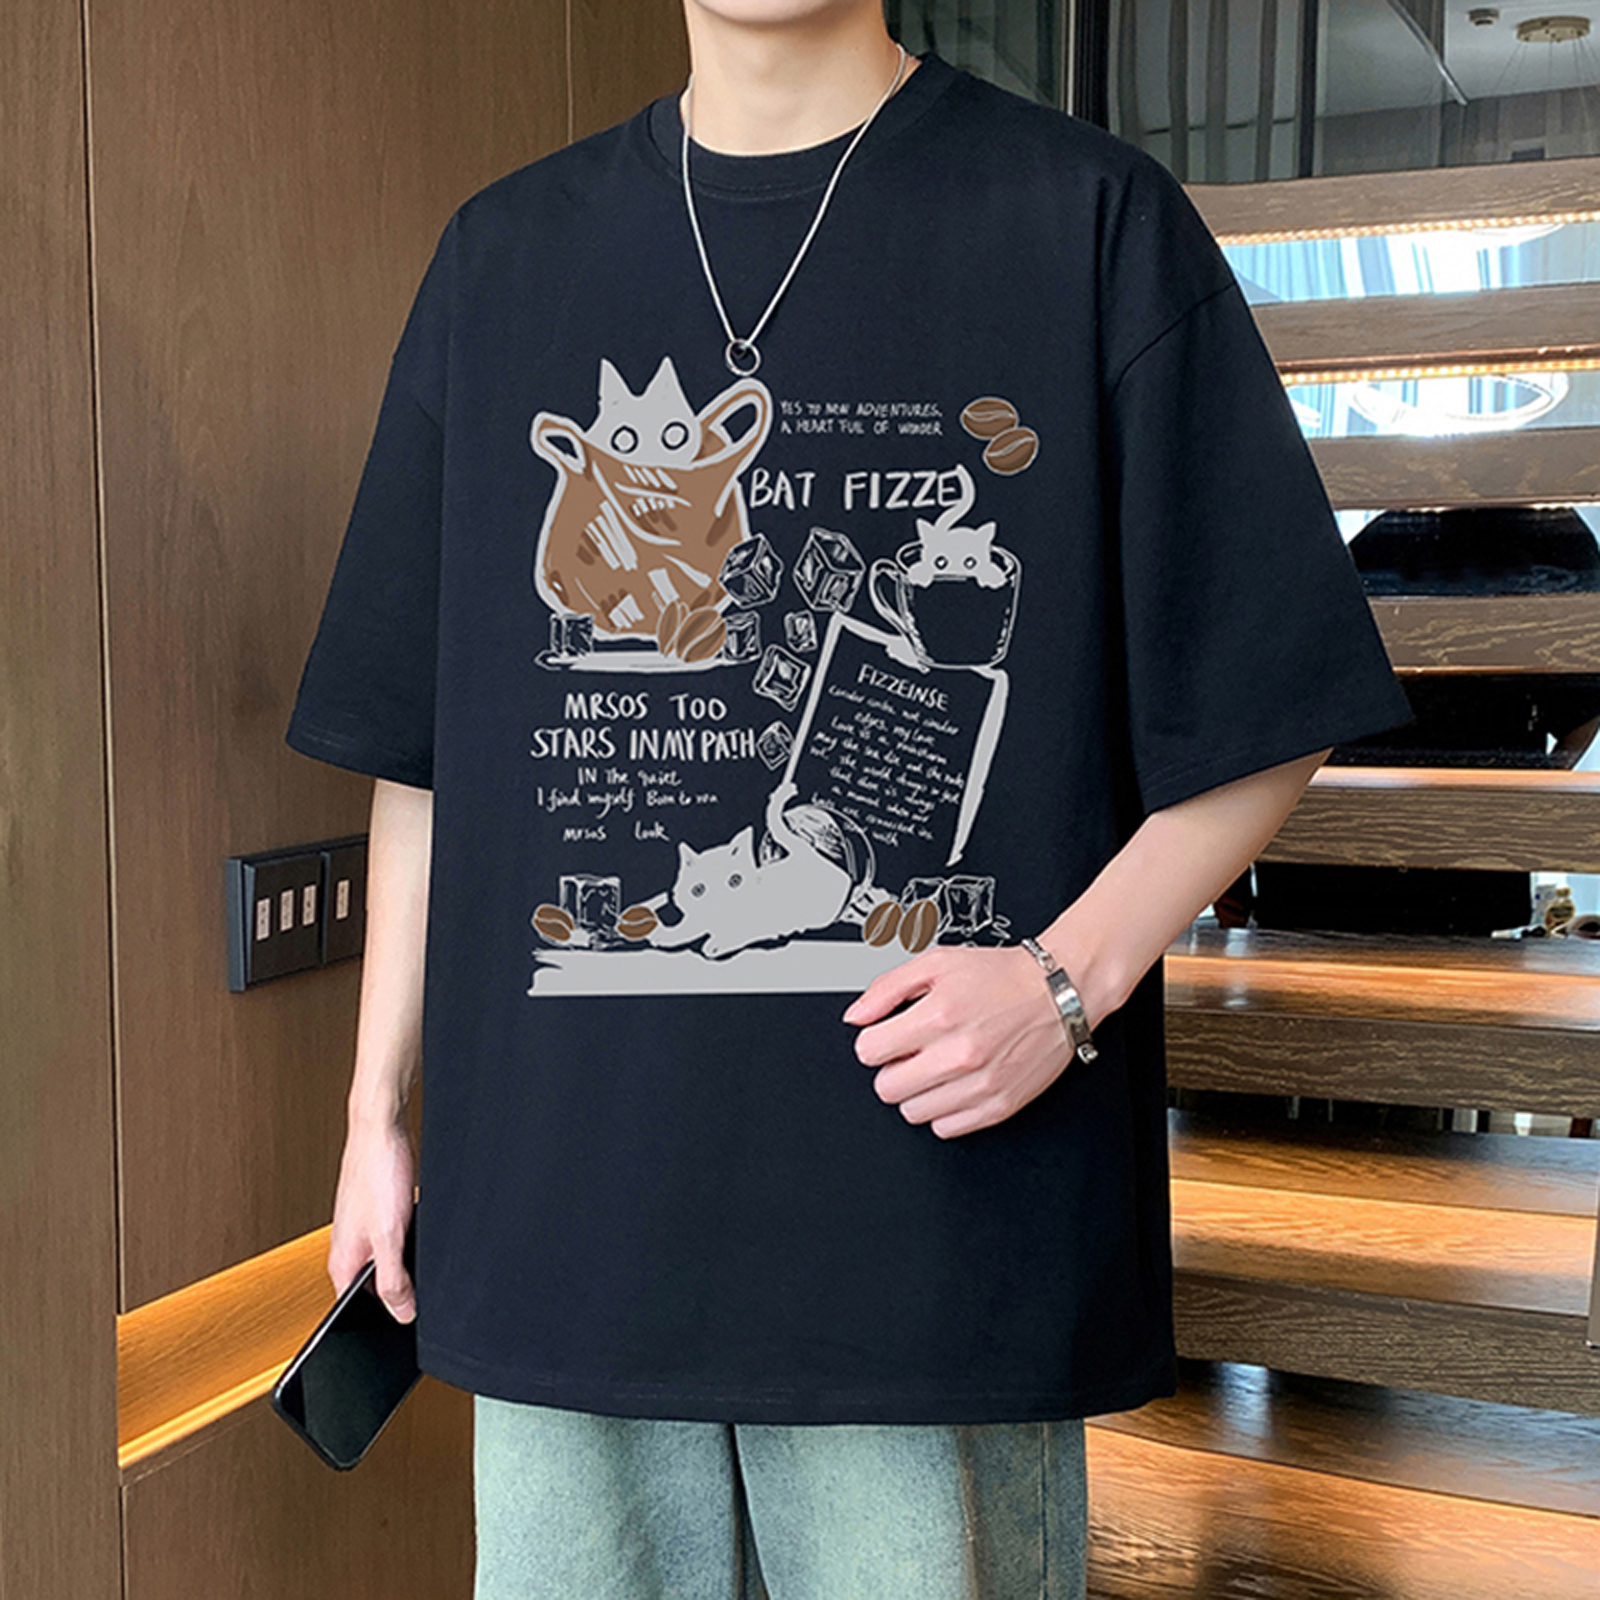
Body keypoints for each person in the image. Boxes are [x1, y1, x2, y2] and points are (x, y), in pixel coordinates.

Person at [286, 2, 1414, 1594]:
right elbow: (423, 751)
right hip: (571, 1217)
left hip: (932, 1235)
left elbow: (1269, 699)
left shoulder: (1086, 221)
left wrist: (1065, 982)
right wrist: (372, 1115)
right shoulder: (502, 260)